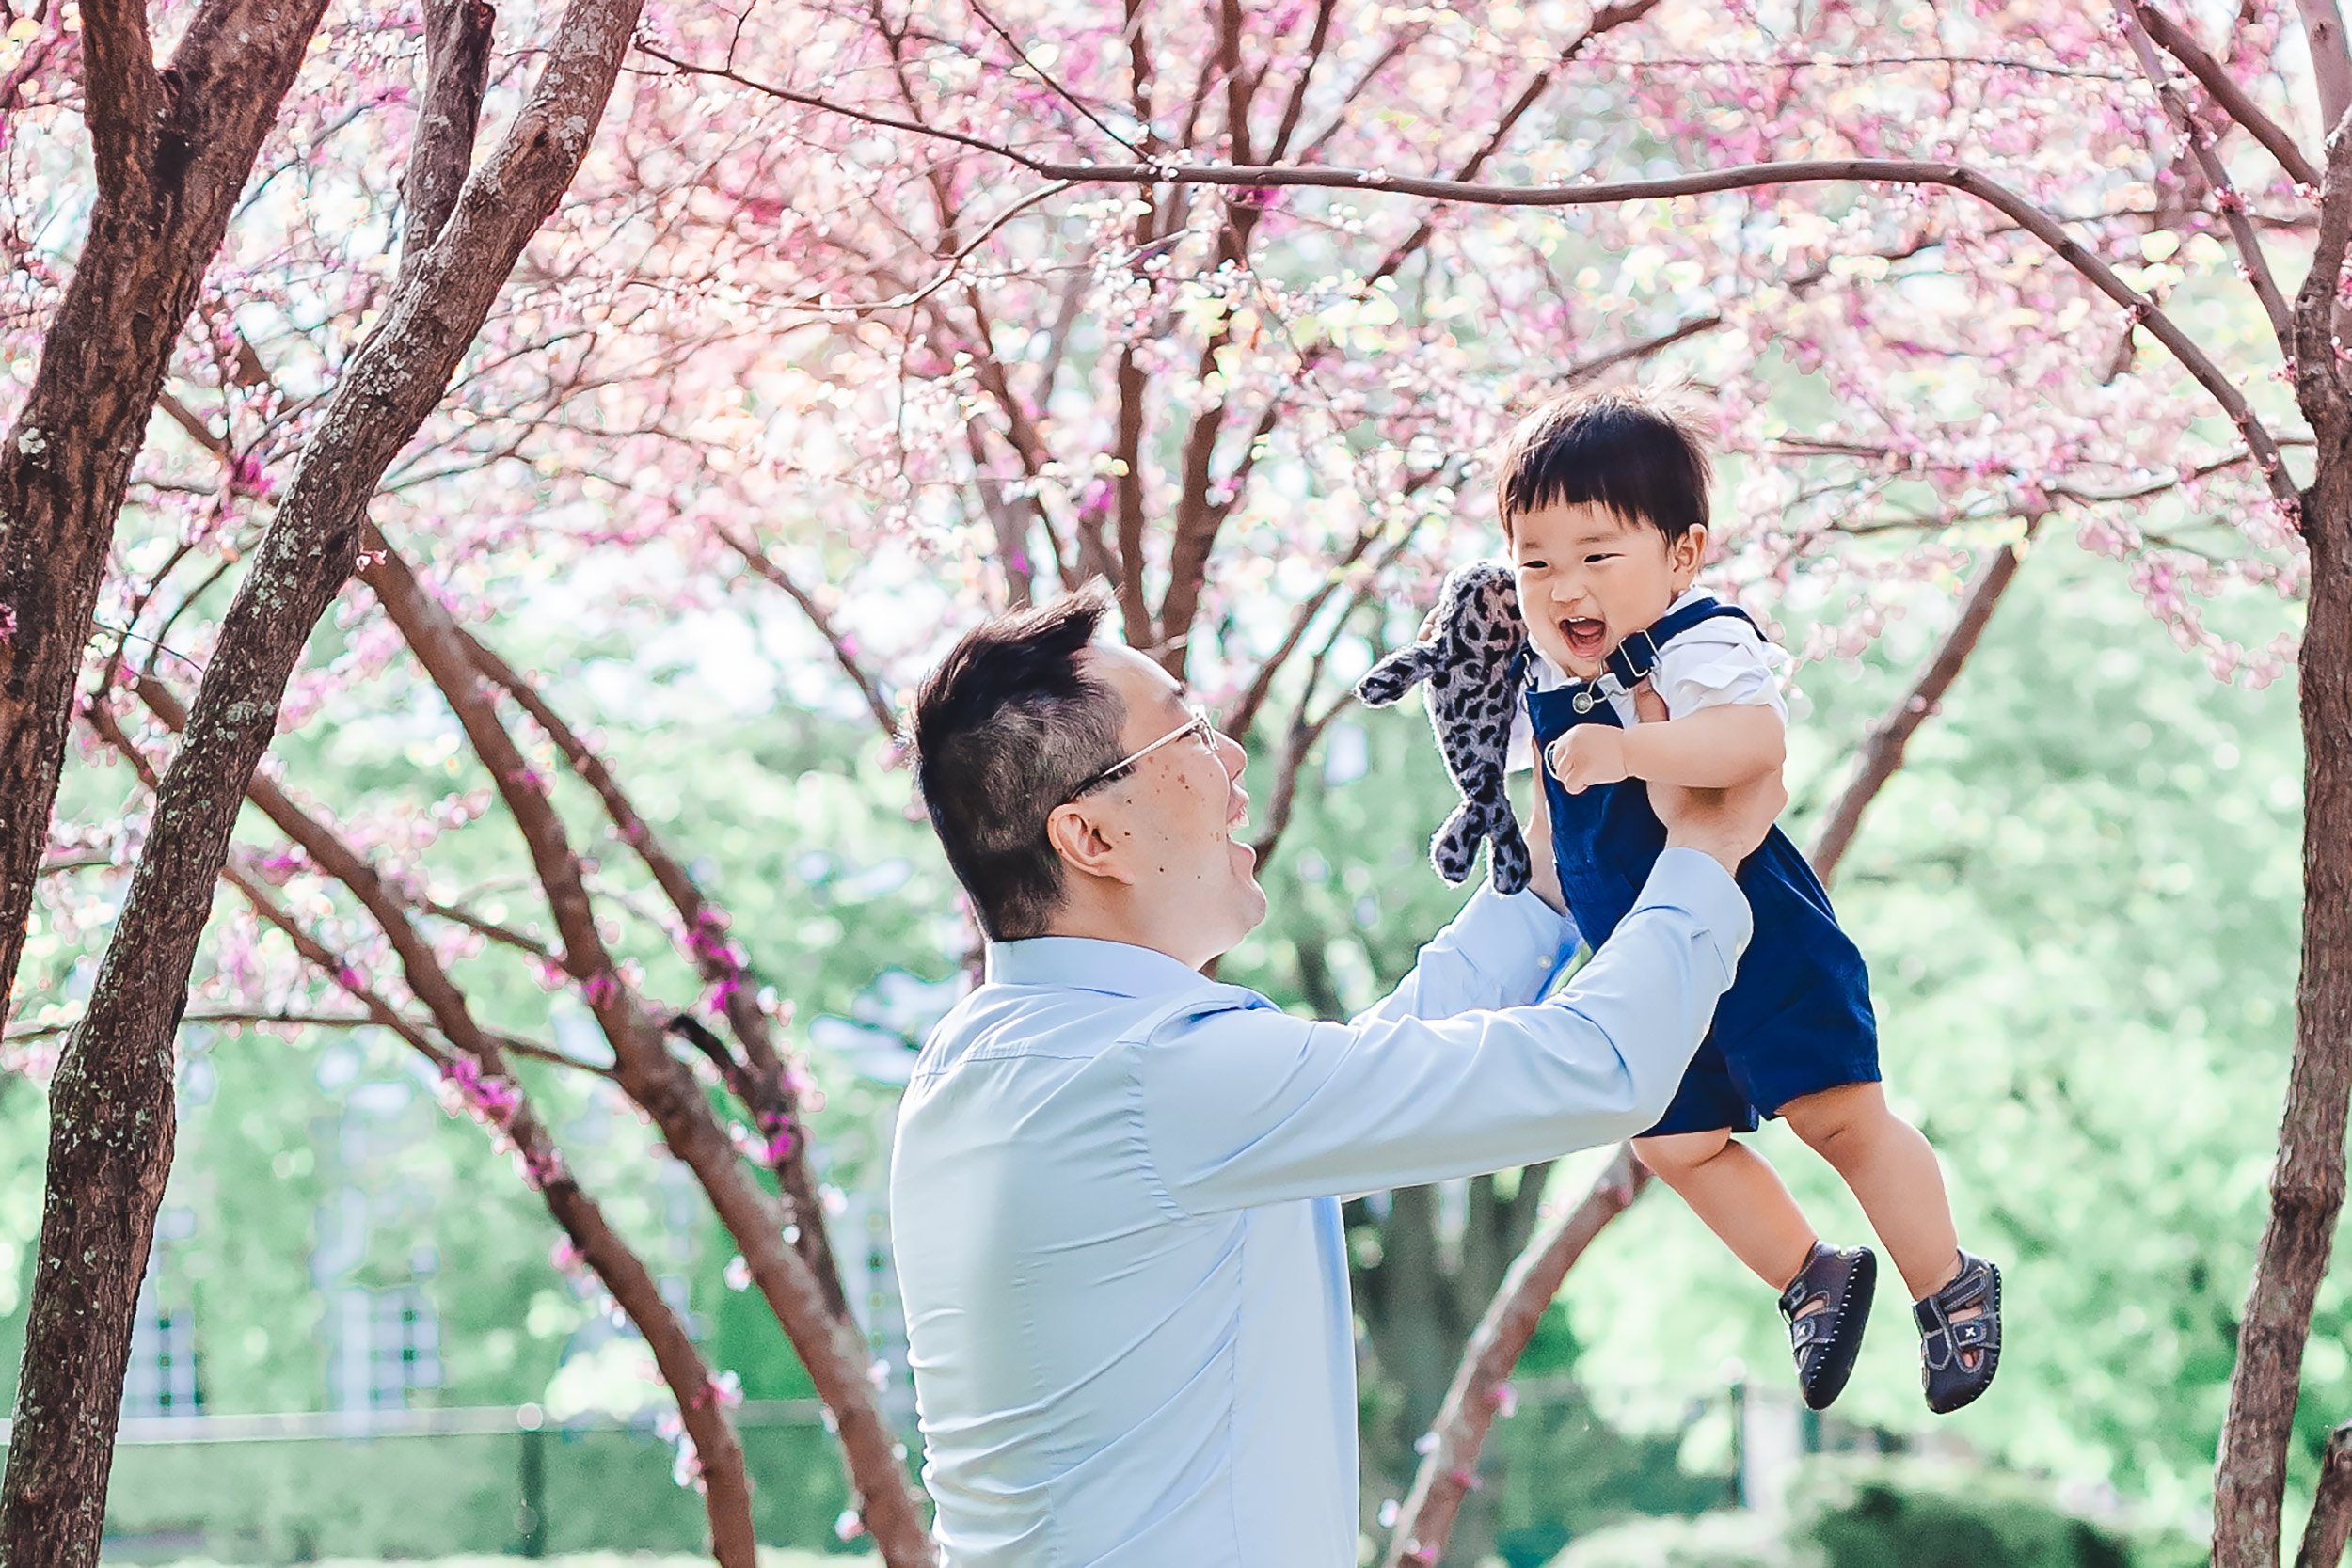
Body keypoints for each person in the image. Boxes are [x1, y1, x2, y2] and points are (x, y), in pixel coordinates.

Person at [889, 585, 1784, 1566]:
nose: (1229, 756)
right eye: (1185, 733)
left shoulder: (985, 1062)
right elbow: (1599, 1068)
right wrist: (1706, 848)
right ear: (1089, 836)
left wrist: (1544, 881)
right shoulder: (1147, 1073)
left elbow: (1368, 1078)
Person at [1500, 384, 2001, 1418]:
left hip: (1757, 933)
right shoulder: (1544, 683)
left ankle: (1945, 1278)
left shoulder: (1694, 643)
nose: (1562, 588)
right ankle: (1809, 1271)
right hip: (1649, 960)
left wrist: (1630, 747)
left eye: (1596, 555)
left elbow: (1750, 743)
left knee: (1837, 1116)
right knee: (1669, 1140)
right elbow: (1538, 812)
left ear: (1681, 556)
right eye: (1534, 561)